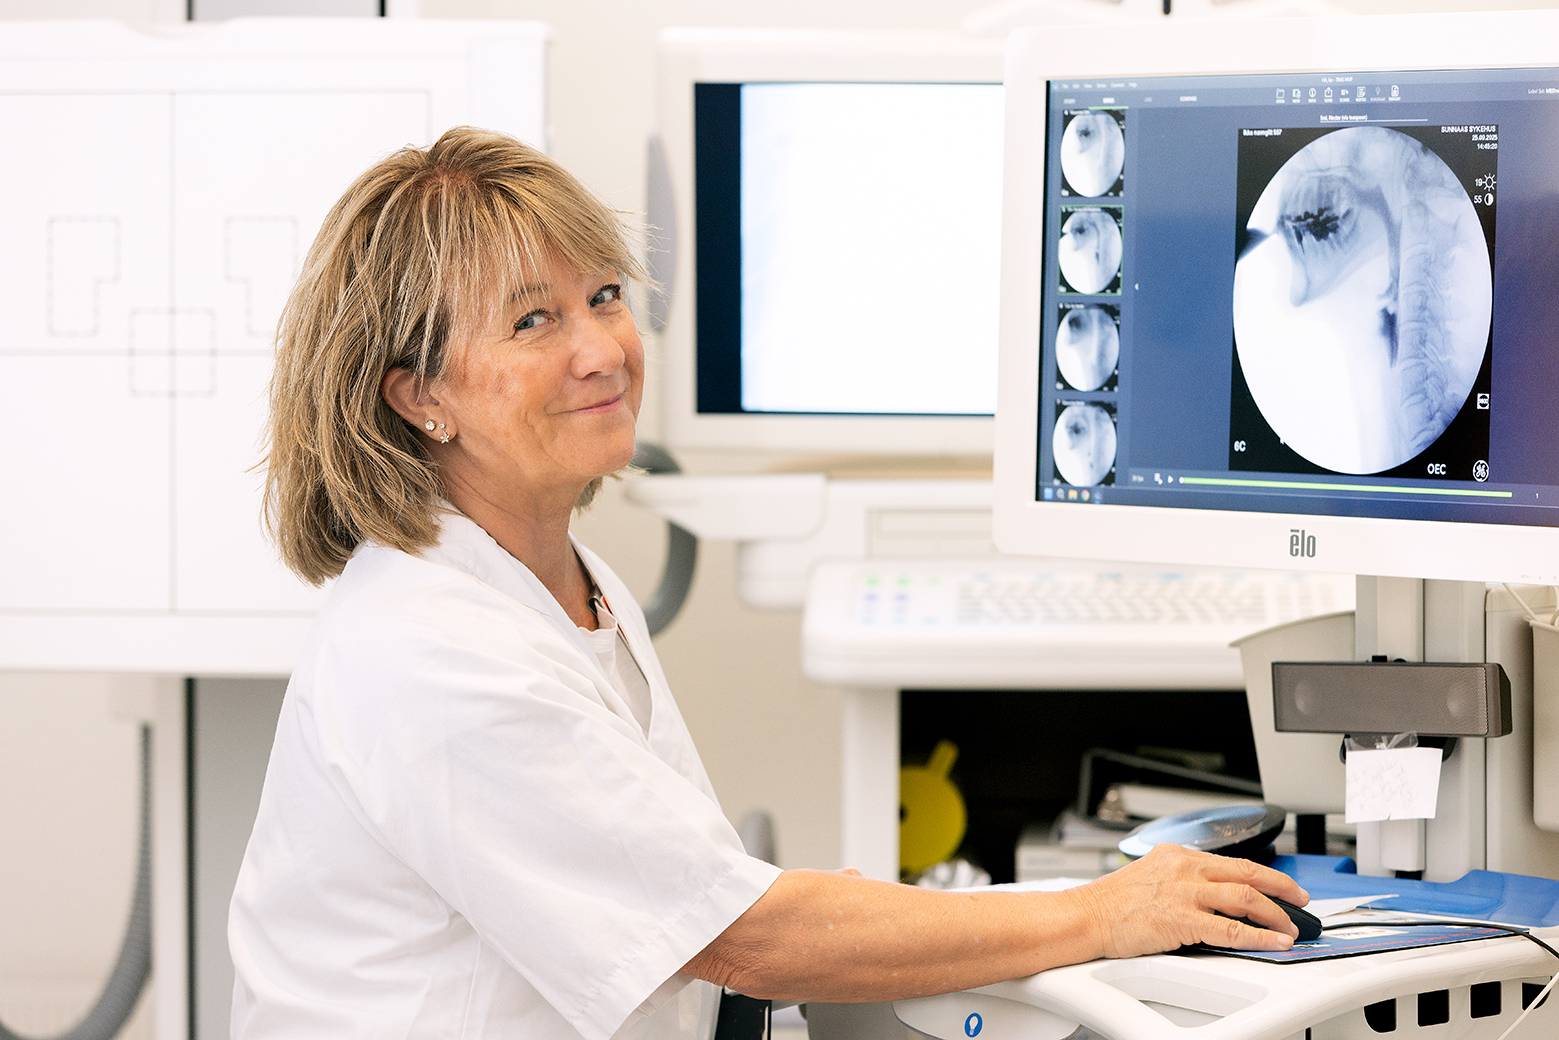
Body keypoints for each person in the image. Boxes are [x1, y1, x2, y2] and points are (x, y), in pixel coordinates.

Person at [230, 126, 1309, 1040]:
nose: (602, 348)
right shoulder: (429, 646)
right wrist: (1103, 912)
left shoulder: (564, 576)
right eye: (531, 320)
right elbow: (741, 935)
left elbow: (701, 902)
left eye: (603, 295)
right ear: (419, 396)